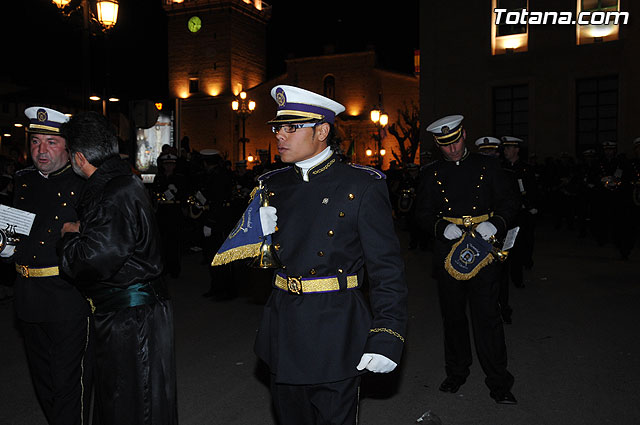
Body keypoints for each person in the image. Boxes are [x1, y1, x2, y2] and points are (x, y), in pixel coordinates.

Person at [252, 85, 408, 425]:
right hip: (284, 327)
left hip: (336, 330)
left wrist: (387, 334)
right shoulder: (271, 185)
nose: (280, 135)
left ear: (322, 131)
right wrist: (253, 237)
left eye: (292, 127)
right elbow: (248, 267)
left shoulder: (361, 186)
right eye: (278, 127)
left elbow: (387, 271)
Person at [58, 111, 178, 425]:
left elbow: (93, 261)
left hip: (130, 318)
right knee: (136, 398)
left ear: (79, 157)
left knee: (132, 402)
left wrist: (70, 238)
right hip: (137, 312)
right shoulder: (123, 181)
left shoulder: (111, 193)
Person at [415, 115, 519, 404]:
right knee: (453, 318)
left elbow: (511, 203)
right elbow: (421, 213)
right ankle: (456, 372)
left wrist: (496, 223)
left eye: (456, 141)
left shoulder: (489, 166)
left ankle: (499, 381)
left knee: (488, 318)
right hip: (448, 254)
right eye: (445, 145)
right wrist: (439, 227)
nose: (453, 149)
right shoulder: (430, 173)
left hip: (483, 251)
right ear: (437, 144)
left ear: (464, 134)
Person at [0, 106, 92, 424]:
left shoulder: (84, 183)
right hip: (27, 294)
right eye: (36, 142)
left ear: (68, 146)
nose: (41, 150)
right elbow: (13, 235)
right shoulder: (23, 180)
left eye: (50, 143)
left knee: (67, 382)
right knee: (43, 381)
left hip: (65, 295)